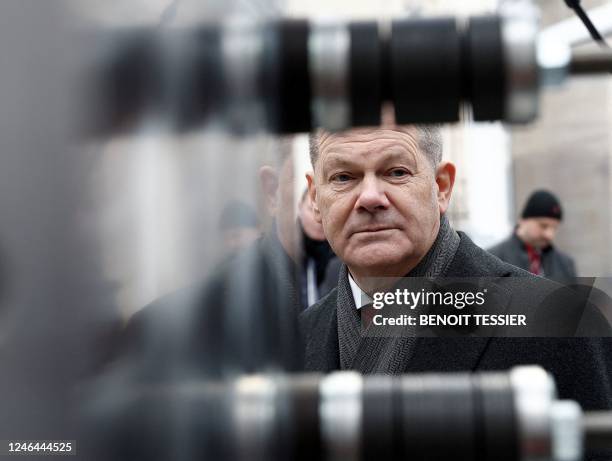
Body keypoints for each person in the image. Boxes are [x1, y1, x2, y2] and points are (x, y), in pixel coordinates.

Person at [300, 123, 612, 416]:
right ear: (315, 198)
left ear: (442, 187)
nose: (369, 197)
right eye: (343, 177)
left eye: (396, 172)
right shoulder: (299, 338)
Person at [488, 190, 577, 281]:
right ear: (522, 220)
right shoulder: (492, 259)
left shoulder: (565, 264)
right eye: (543, 226)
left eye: (554, 228)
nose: (549, 235)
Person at [297, 189, 340, 308]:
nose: (318, 219)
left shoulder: (347, 256)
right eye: (311, 209)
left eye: (326, 212)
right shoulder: (284, 252)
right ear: (300, 208)